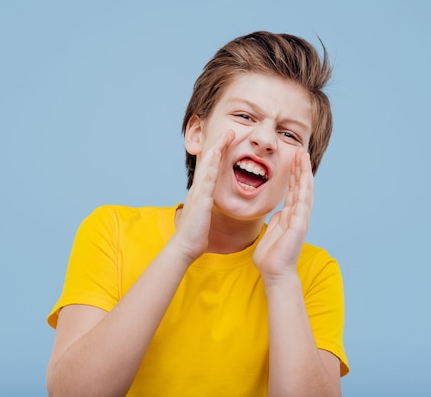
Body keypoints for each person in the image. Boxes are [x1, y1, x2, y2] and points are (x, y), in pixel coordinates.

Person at [46, 31, 349, 397]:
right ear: (196, 133)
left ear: (304, 171)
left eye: (289, 135)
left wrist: (281, 278)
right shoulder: (111, 231)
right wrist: (180, 251)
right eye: (244, 115)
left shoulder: (313, 273)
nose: (265, 140)